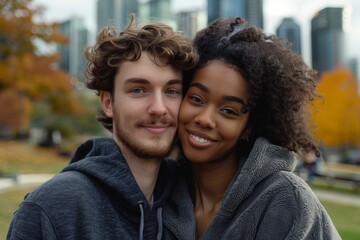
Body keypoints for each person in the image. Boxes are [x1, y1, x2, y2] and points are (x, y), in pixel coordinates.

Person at [7, 15, 197, 239]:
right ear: (108, 103)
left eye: (171, 91)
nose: (158, 108)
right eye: (138, 90)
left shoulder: (190, 199)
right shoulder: (51, 209)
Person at [163, 17, 341, 239]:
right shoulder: (159, 193)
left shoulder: (287, 201)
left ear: (248, 127)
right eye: (197, 99)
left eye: (229, 111)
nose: (205, 119)